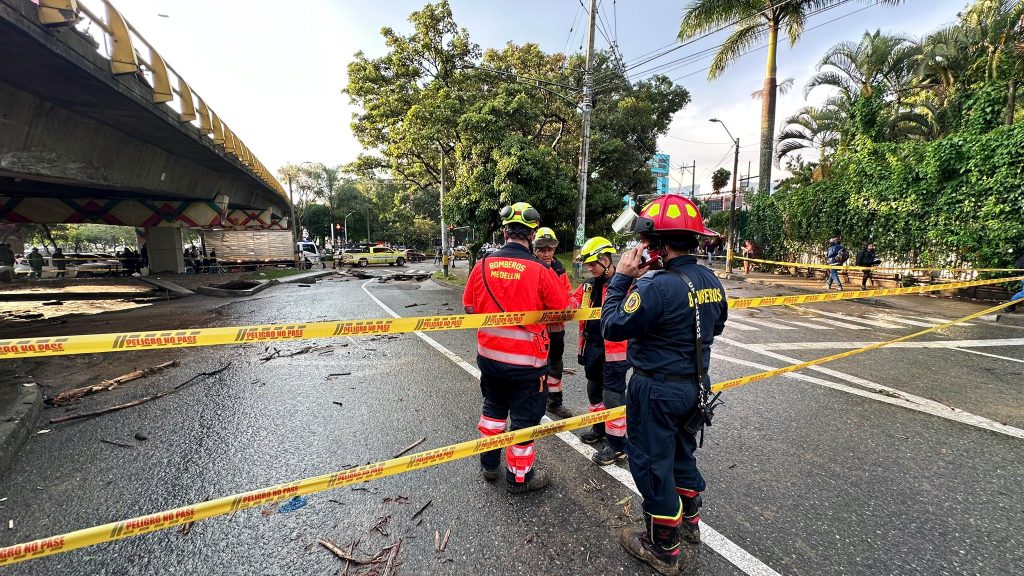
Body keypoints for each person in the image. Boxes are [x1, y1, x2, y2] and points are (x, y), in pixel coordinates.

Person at [601, 195, 728, 575]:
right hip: (696, 386)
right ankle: (690, 522)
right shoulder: (711, 280)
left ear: (657, 245)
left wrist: (622, 279)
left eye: (647, 242)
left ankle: (663, 547)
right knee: (682, 453)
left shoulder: (655, 286)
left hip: (655, 389)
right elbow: (716, 326)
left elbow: (612, 326)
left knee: (652, 463)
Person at [462, 202, 570, 494]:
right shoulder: (540, 269)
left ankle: (489, 465)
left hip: (489, 359)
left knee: (493, 410)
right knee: (523, 421)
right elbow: (563, 310)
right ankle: (519, 479)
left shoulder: (482, 265)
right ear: (532, 235)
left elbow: (469, 308)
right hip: (527, 365)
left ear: (505, 232)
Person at [571, 236, 630, 466]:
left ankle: (618, 445)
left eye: (593, 264)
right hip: (592, 348)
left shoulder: (624, 286)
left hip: (615, 351)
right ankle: (599, 428)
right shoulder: (588, 286)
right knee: (594, 390)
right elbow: (572, 302)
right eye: (588, 264)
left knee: (612, 396)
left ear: (605, 260)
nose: (590, 268)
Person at [533, 227, 573, 419]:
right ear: (535, 250)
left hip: (556, 328)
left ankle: (554, 402)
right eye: (542, 249)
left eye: (550, 249)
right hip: (535, 328)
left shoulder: (559, 270)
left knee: (555, 365)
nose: (547, 254)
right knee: (535, 366)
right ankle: (535, 403)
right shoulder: (530, 268)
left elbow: (568, 294)